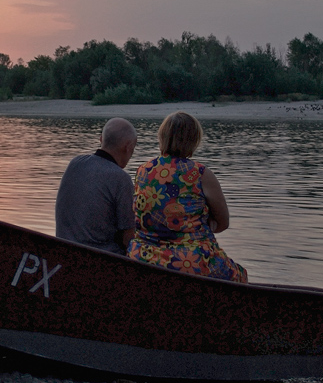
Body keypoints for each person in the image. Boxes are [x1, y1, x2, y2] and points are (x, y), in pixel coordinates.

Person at [128, 111, 248, 283]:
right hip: (189, 262)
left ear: (162, 136)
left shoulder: (142, 171)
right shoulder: (200, 174)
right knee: (241, 277)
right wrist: (194, 229)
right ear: (193, 140)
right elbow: (223, 222)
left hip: (142, 257)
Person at [55, 117, 138, 254]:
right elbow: (128, 238)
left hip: (64, 252)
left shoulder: (75, 163)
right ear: (128, 147)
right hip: (100, 260)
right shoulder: (121, 179)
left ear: (101, 139)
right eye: (133, 149)